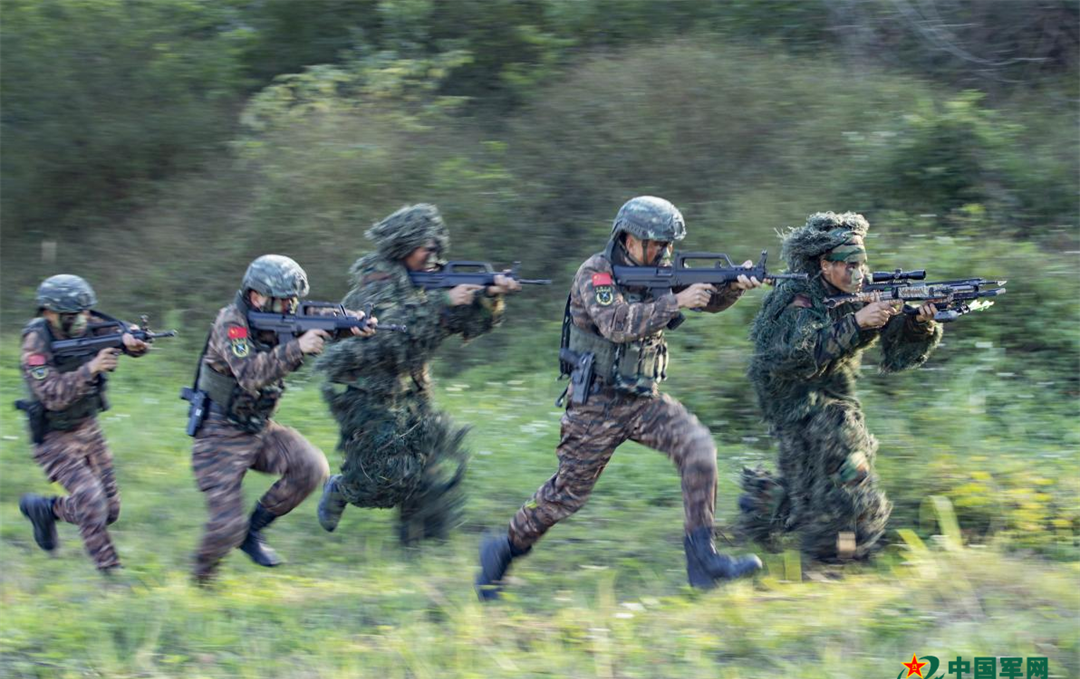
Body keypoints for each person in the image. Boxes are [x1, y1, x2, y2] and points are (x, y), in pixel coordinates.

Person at [476, 196, 763, 599]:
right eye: (656, 244)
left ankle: (703, 560)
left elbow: (708, 300)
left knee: (699, 450)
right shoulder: (596, 273)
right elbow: (615, 324)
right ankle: (503, 549)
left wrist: (733, 286)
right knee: (565, 495)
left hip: (643, 399)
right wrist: (675, 302)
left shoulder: (662, 271)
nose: (663, 252)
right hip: (596, 403)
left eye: (668, 246)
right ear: (628, 239)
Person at [737, 212, 942, 562]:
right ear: (824, 265)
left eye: (862, 263)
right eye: (848, 265)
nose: (858, 273)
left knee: (807, 492)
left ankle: (763, 503)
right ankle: (839, 556)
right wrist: (857, 323)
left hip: (835, 400)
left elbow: (897, 353)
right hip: (795, 405)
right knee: (850, 473)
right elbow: (797, 358)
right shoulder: (795, 300)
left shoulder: (864, 291)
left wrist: (917, 324)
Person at [315, 204, 520, 544]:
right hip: (365, 391)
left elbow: (463, 325)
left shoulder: (430, 279)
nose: (432, 255)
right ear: (404, 245)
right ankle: (343, 488)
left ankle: (422, 543)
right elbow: (390, 333)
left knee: (429, 465)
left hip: (409, 391)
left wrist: (488, 299)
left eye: (436, 247)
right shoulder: (375, 281)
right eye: (426, 247)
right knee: (387, 475)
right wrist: (443, 302)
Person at [188, 254, 373, 583]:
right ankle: (201, 580)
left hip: (258, 428)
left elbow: (318, 317)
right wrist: (298, 348)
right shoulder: (231, 323)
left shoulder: (281, 313)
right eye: (283, 301)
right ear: (257, 297)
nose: (291, 307)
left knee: (312, 467)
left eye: (294, 301)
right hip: (219, 433)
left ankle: (253, 533)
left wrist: (351, 322)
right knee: (226, 527)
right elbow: (249, 374)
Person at [17, 274, 149, 573]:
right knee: (92, 502)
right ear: (50, 313)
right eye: (75, 315)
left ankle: (46, 510)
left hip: (89, 430)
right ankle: (111, 573)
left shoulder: (87, 323)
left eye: (87, 312)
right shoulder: (35, 343)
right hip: (53, 438)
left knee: (109, 511)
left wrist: (134, 342)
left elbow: (122, 332)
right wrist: (91, 368)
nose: (84, 320)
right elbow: (51, 395)